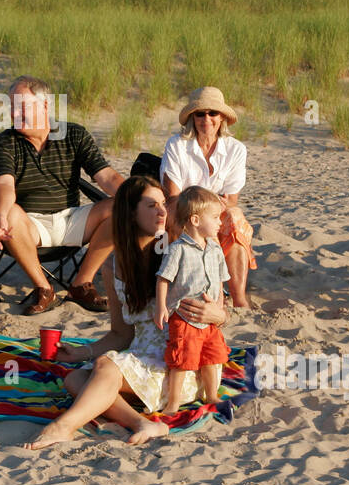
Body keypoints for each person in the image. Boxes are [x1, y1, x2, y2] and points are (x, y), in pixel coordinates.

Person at [24, 176, 228, 450]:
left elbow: (218, 308)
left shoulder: (179, 248)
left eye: (163, 204)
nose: (162, 211)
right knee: (75, 377)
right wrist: (80, 353)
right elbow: (121, 335)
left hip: (179, 359)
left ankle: (63, 426)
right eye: (151, 205)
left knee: (105, 368)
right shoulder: (115, 266)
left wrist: (218, 316)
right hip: (141, 355)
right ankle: (140, 423)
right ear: (131, 212)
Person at [0, 75, 125, 316]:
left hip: (72, 218)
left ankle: (81, 284)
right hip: (29, 225)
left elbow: (107, 177)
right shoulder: (5, 142)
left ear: (44, 106)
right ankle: (44, 289)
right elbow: (4, 183)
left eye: (22, 106)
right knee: (9, 211)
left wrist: (144, 198)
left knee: (125, 205)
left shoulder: (73, 134)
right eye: (11, 106)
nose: (14, 113)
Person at [159, 86, 256, 308]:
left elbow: (231, 200)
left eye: (213, 113)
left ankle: (238, 297)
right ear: (192, 118)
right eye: (200, 113)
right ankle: (204, 291)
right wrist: (207, 207)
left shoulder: (236, 149)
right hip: (182, 213)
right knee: (195, 218)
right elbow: (173, 196)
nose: (207, 119)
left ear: (222, 118)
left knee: (235, 218)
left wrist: (209, 209)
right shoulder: (177, 145)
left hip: (215, 213)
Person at [155, 186, 231, 415]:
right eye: (216, 217)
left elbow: (220, 280)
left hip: (209, 317)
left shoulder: (215, 249)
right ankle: (173, 403)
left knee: (212, 356)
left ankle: (211, 395)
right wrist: (161, 307)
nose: (220, 222)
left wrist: (219, 305)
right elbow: (163, 279)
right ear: (196, 220)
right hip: (184, 316)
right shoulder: (178, 249)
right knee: (181, 360)